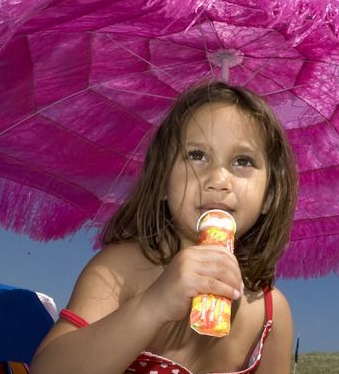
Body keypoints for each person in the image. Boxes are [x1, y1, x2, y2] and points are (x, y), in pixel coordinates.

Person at [30, 82, 299, 373]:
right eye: (197, 155)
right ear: (162, 182)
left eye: (242, 161)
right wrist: (153, 305)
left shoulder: (270, 313)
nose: (218, 178)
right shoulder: (121, 270)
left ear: (269, 196)